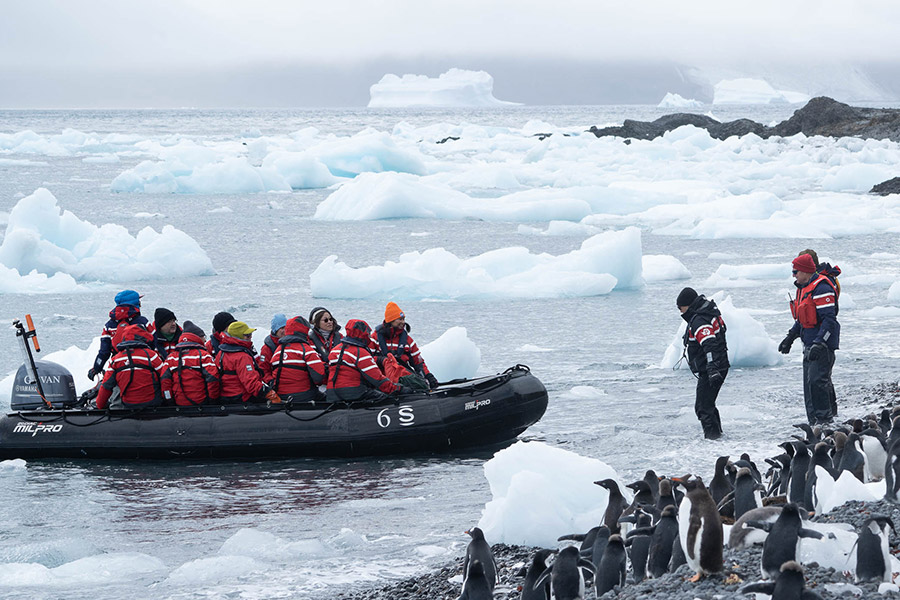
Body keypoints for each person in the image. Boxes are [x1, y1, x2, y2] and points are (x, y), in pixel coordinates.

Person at [778, 253, 840, 425]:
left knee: (817, 382)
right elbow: (802, 319)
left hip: (821, 346)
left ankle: (825, 422)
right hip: (808, 343)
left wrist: (820, 342)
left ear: (805, 271)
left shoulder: (822, 288)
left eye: (796, 272)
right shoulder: (803, 288)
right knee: (809, 386)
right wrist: (790, 337)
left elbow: (829, 320)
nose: (794, 275)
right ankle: (814, 424)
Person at [677, 287, 729, 440]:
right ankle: (718, 437)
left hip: (712, 369)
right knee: (708, 404)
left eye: (680, 307)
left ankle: (713, 440)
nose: (680, 312)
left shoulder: (699, 320)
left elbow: (709, 344)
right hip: (718, 366)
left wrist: (712, 368)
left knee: (703, 407)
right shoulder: (707, 313)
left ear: (688, 305)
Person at [327, 319, 404, 403]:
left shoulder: (335, 350)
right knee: (387, 399)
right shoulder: (360, 352)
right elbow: (377, 379)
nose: (370, 336)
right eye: (368, 333)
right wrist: (398, 389)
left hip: (332, 394)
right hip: (354, 393)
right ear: (363, 334)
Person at [96, 324, 171, 409]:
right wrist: (168, 400)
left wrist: (99, 406)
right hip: (152, 403)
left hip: (128, 404)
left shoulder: (115, 360)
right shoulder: (152, 356)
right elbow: (165, 378)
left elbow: (106, 386)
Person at [370, 302, 439, 389]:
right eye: (400, 319)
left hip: (402, 380)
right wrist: (382, 360)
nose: (403, 322)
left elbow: (418, 363)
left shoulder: (408, 341)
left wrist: (428, 376)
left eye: (403, 319)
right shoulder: (375, 338)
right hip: (381, 380)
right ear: (391, 320)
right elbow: (367, 359)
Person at [88, 289, 153, 381]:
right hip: (143, 365)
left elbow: (104, 352)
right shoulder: (143, 322)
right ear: (135, 304)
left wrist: (96, 368)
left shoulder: (109, 326)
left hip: (118, 366)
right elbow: (154, 343)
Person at [215, 321, 279, 404]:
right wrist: (270, 394)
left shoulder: (221, 353)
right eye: (247, 335)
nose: (250, 337)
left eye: (250, 334)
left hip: (225, 397)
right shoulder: (243, 357)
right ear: (238, 337)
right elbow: (251, 383)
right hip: (242, 398)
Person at [268, 316, 326, 403]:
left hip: (282, 396)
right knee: (328, 395)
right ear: (303, 331)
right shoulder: (306, 350)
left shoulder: (278, 351)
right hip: (304, 395)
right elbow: (319, 377)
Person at [163, 321, 220, 406]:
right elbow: (213, 379)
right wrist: (212, 401)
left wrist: (169, 400)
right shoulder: (204, 356)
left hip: (179, 404)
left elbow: (165, 381)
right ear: (197, 337)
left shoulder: (171, 358)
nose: (205, 340)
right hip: (201, 403)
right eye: (203, 336)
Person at [259, 313, 286, 381]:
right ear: (275, 330)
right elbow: (263, 369)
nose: (285, 330)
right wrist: (271, 382)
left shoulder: (291, 343)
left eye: (286, 327)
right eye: (282, 328)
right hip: (277, 383)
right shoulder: (267, 348)